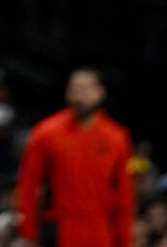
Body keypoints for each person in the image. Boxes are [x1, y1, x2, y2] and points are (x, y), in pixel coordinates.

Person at [16, 68, 134, 247]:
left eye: (87, 89)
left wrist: (124, 239)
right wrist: (29, 232)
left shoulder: (117, 137)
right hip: (59, 226)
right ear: (67, 93)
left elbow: (124, 193)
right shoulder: (46, 133)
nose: (81, 96)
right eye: (76, 89)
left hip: (100, 229)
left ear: (100, 93)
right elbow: (29, 184)